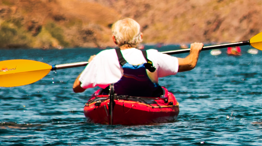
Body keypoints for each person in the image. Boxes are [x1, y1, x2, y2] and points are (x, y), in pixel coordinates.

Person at [73, 18, 202, 97]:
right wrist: (194, 51)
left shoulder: (103, 57)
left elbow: (77, 87)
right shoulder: (152, 55)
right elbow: (189, 64)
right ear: (140, 37)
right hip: (146, 103)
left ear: (114, 39)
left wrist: (90, 65)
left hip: (114, 103)